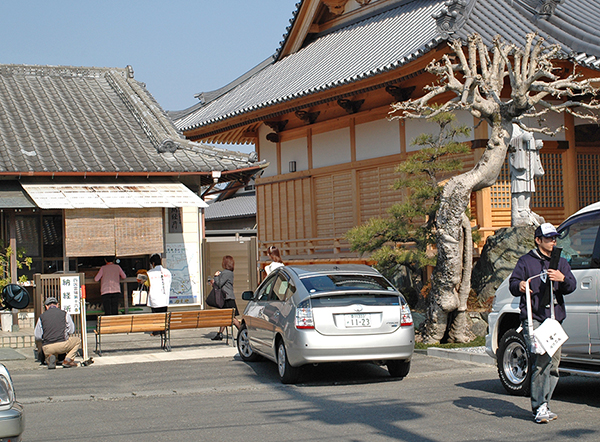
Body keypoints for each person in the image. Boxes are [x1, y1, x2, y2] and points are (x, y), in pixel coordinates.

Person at [509, 222, 576, 423]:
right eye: (548, 238)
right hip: (535, 318)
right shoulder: (526, 261)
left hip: (554, 320)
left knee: (554, 364)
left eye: (555, 238)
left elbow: (571, 285)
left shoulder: (560, 261)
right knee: (541, 360)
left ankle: (545, 403)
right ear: (538, 240)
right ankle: (539, 406)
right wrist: (521, 285)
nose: (553, 241)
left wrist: (562, 278)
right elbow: (513, 284)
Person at [34, 297, 81, 369]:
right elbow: (71, 330)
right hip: (62, 344)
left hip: (48, 346)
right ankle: (68, 359)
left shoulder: (42, 317)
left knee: (50, 352)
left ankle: (50, 358)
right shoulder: (64, 314)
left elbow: (37, 336)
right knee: (77, 340)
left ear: (46, 306)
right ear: (57, 305)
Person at [210, 255, 241, 340]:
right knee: (225, 317)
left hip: (227, 298)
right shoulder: (230, 273)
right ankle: (220, 333)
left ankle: (243, 332)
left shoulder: (226, 273)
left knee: (232, 318)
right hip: (228, 297)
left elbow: (220, 284)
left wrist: (216, 276)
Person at [147, 254, 171, 330]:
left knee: (156, 316)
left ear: (153, 263)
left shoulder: (149, 273)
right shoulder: (167, 272)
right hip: (164, 298)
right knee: (163, 316)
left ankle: (156, 331)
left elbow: (147, 284)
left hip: (154, 298)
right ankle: (163, 330)